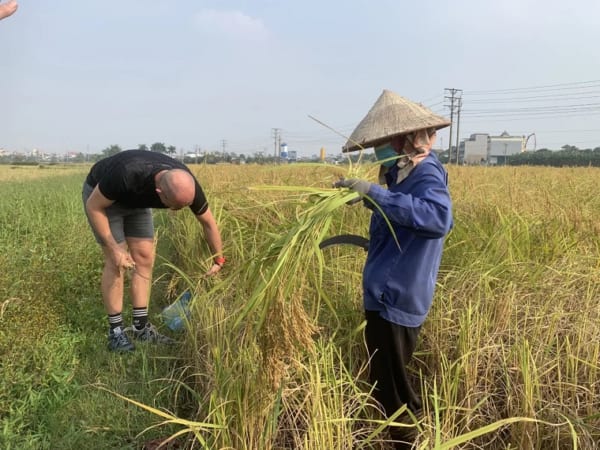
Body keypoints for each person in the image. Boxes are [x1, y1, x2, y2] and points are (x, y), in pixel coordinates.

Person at [334, 90, 453, 448]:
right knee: (384, 380)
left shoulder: (425, 172)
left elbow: (437, 218)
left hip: (397, 296)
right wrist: (373, 202)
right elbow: (402, 218)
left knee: (397, 392)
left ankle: (406, 442)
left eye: (384, 141)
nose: (379, 149)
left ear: (405, 138)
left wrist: (376, 195)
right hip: (384, 292)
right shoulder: (399, 172)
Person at [82, 150, 225, 352]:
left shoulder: (185, 184)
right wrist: (114, 248)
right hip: (104, 199)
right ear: (159, 193)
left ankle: (141, 328)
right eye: (174, 207)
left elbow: (208, 223)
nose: (177, 210)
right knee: (117, 261)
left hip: (137, 201)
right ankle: (116, 333)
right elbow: (94, 206)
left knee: (145, 257)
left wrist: (219, 259)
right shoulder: (126, 174)